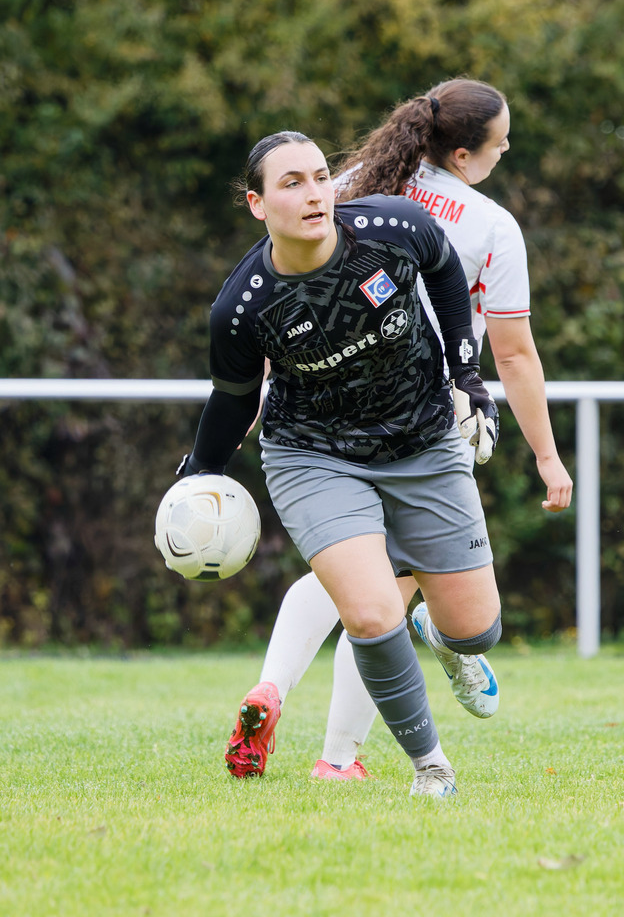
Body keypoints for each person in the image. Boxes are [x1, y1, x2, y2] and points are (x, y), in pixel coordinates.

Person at [231, 78, 573, 784]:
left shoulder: (343, 181)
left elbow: (279, 284)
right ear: (464, 153)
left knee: (354, 580)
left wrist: (259, 387)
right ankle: (339, 756)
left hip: (321, 415)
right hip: (426, 416)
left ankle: (273, 685)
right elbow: (513, 355)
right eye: (501, 144)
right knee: (389, 594)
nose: (505, 153)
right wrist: (547, 454)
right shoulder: (491, 225)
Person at [177, 129, 503, 798]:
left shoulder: (394, 227)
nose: (313, 194)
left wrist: (466, 374)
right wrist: (200, 471)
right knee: (371, 614)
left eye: (320, 177)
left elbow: (445, 270)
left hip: (423, 440)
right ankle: (431, 767)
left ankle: (443, 636)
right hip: (314, 455)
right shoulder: (242, 306)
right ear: (257, 204)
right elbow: (233, 399)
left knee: (477, 631)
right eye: (291, 183)